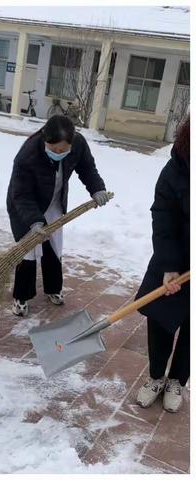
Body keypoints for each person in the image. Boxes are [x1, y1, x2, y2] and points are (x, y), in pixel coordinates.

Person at [7, 115, 110, 316]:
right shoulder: (28, 155)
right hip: (25, 205)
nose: (58, 153)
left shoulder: (78, 144)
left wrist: (97, 189)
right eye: (53, 149)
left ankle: (53, 289)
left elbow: (87, 168)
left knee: (54, 245)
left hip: (54, 200)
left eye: (63, 150)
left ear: (72, 143)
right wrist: (35, 222)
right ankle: (21, 296)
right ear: (45, 139)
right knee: (29, 249)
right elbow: (21, 195)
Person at [136, 116, 190, 414]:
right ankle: (156, 377)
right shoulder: (175, 169)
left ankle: (177, 381)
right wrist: (170, 266)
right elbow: (163, 217)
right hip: (172, 259)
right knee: (159, 320)